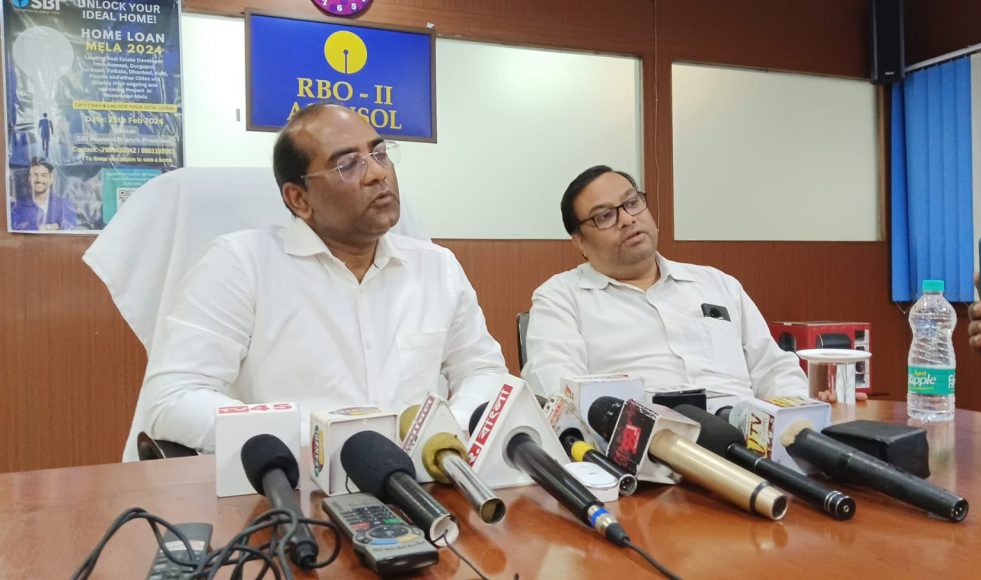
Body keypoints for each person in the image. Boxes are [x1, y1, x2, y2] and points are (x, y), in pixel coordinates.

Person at [137, 103, 507, 455]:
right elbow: (173, 398)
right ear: (299, 199)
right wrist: (321, 441)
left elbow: (484, 371)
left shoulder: (436, 267)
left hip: (424, 478)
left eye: (379, 154)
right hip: (292, 485)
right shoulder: (242, 264)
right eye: (348, 164)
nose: (377, 174)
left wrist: (444, 430)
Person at [521, 165, 816, 403]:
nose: (627, 219)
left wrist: (797, 420)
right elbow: (558, 390)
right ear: (580, 242)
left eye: (632, 203)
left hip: (747, 439)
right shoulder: (561, 297)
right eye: (605, 216)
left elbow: (774, 369)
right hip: (644, 444)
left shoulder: (717, 284)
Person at [10, 157, 77, 231]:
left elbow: (69, 229)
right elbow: (16, 229)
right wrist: (48, 227)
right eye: (35, 175)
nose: (39, 179)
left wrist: (33, 227)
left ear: (51, 178)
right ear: (29, 178)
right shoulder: (19, 206)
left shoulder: (63, 205)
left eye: (43, 175)